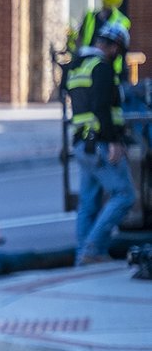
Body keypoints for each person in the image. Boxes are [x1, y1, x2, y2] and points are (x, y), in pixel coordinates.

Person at [64, 19, 135, 265]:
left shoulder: (76, 66)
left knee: (88, 203)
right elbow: (102, 107)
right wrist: (115, 141)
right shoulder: (102, 68)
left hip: (83, 145)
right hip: (101, 144)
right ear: (114, 47)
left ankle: (82, 254)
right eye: (119, 50)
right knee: (124, 196)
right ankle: (92, 249)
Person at [69, 0, 130, 80]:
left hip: (109, 65)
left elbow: (121, 47)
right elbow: (79, 38)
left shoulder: (122, 21)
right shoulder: (90, 16)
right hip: (87, 61)